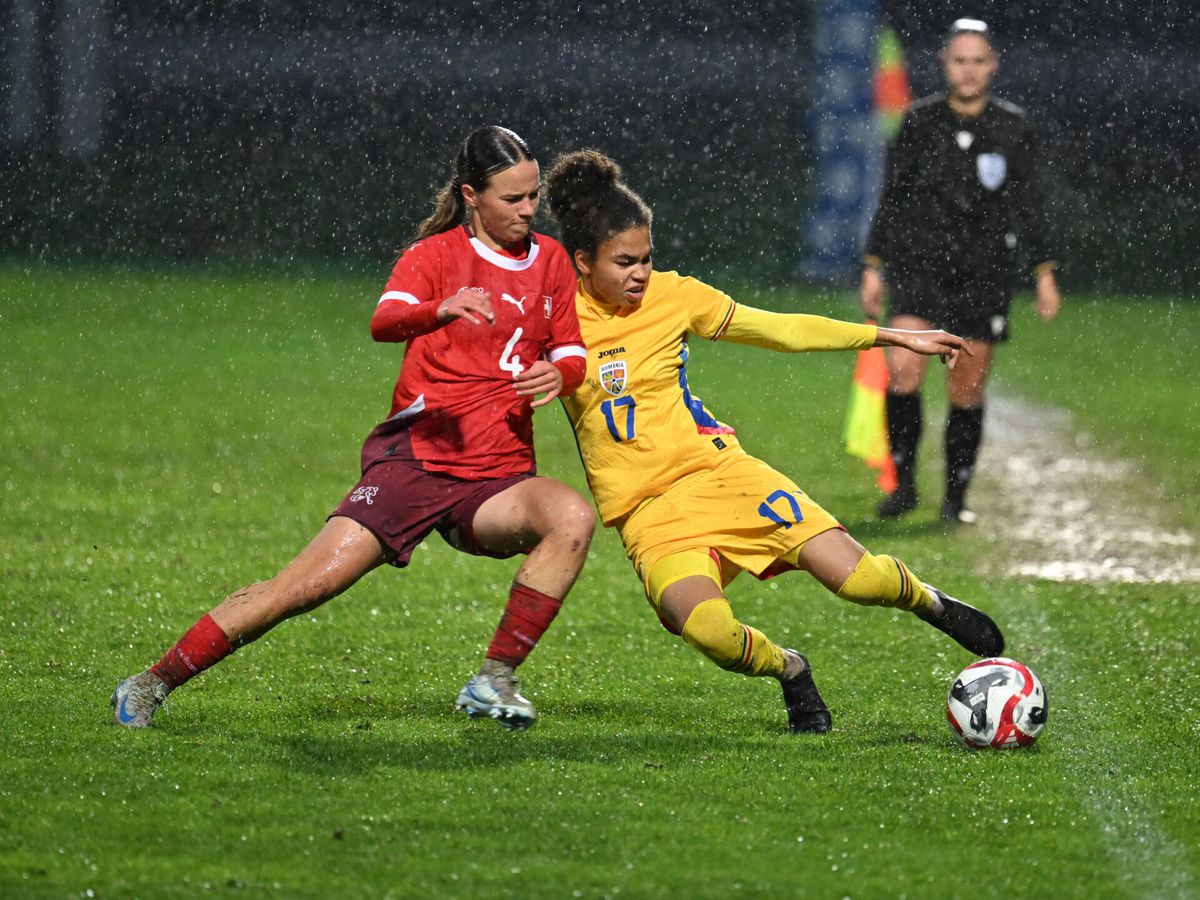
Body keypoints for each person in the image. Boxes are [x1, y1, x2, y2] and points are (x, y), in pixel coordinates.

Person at [111, 125, 595, 732]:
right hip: (413, 466)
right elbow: (385, 320)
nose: (528, 210)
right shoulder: (436, 256)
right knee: (304, 587)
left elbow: (572, 349)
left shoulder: (548, 259)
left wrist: (559, 374)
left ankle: (493, 680)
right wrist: (438, 308)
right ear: (471, 196)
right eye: (512, 199)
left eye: (533, 197)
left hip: (495, 478)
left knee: (572, 518)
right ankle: (153, 681)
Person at [544, 149, 1004, 733]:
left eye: (647, 258)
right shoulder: (552, 317)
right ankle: (790, 668)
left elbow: (780, 328)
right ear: (582, 261)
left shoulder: (674, 295)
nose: (641, 273)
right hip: (648, 512)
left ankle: (928, 601)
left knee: (860, 581)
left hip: (721, 474)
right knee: (711, 633)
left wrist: (889, 336)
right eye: (625, 262)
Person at [861, 17, 1062, 524]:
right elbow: (892, 198)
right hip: (921, 268)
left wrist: (1044, 273)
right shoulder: (918, 122)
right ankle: (903, 485)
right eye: (959, 60)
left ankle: (955, 500)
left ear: (992, 65)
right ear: (944, 64)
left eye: (978, 60)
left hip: (983, 274)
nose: (968, 70)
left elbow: (1032, 205)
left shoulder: (1013, 126)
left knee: (966, 387)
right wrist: (873, 266)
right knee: (903, 369)